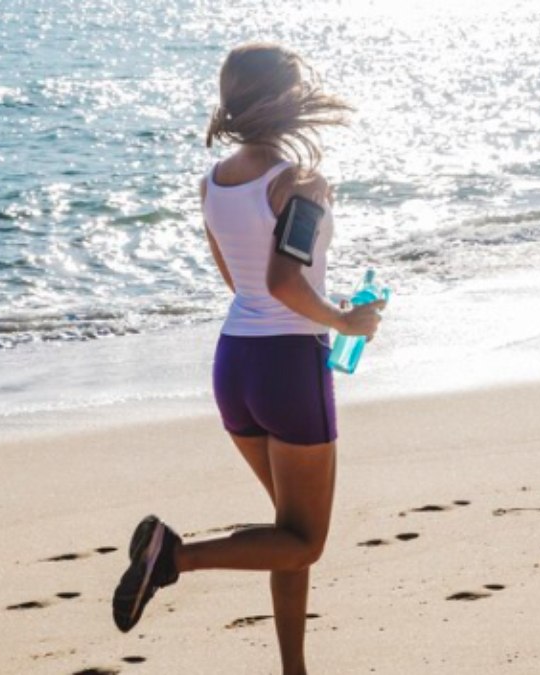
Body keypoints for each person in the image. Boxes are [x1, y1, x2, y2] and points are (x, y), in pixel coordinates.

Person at [111, 43, 385, 675]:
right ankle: (172, 558)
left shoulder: (213, 183)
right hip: (289, 368)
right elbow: (286, 284)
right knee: (306, 539)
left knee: (288, 538)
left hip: (235, 365)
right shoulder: (301, 182)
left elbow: (245, 285)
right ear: (285, 101)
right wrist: (345, 320)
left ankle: (294, 669)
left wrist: (323, 306)